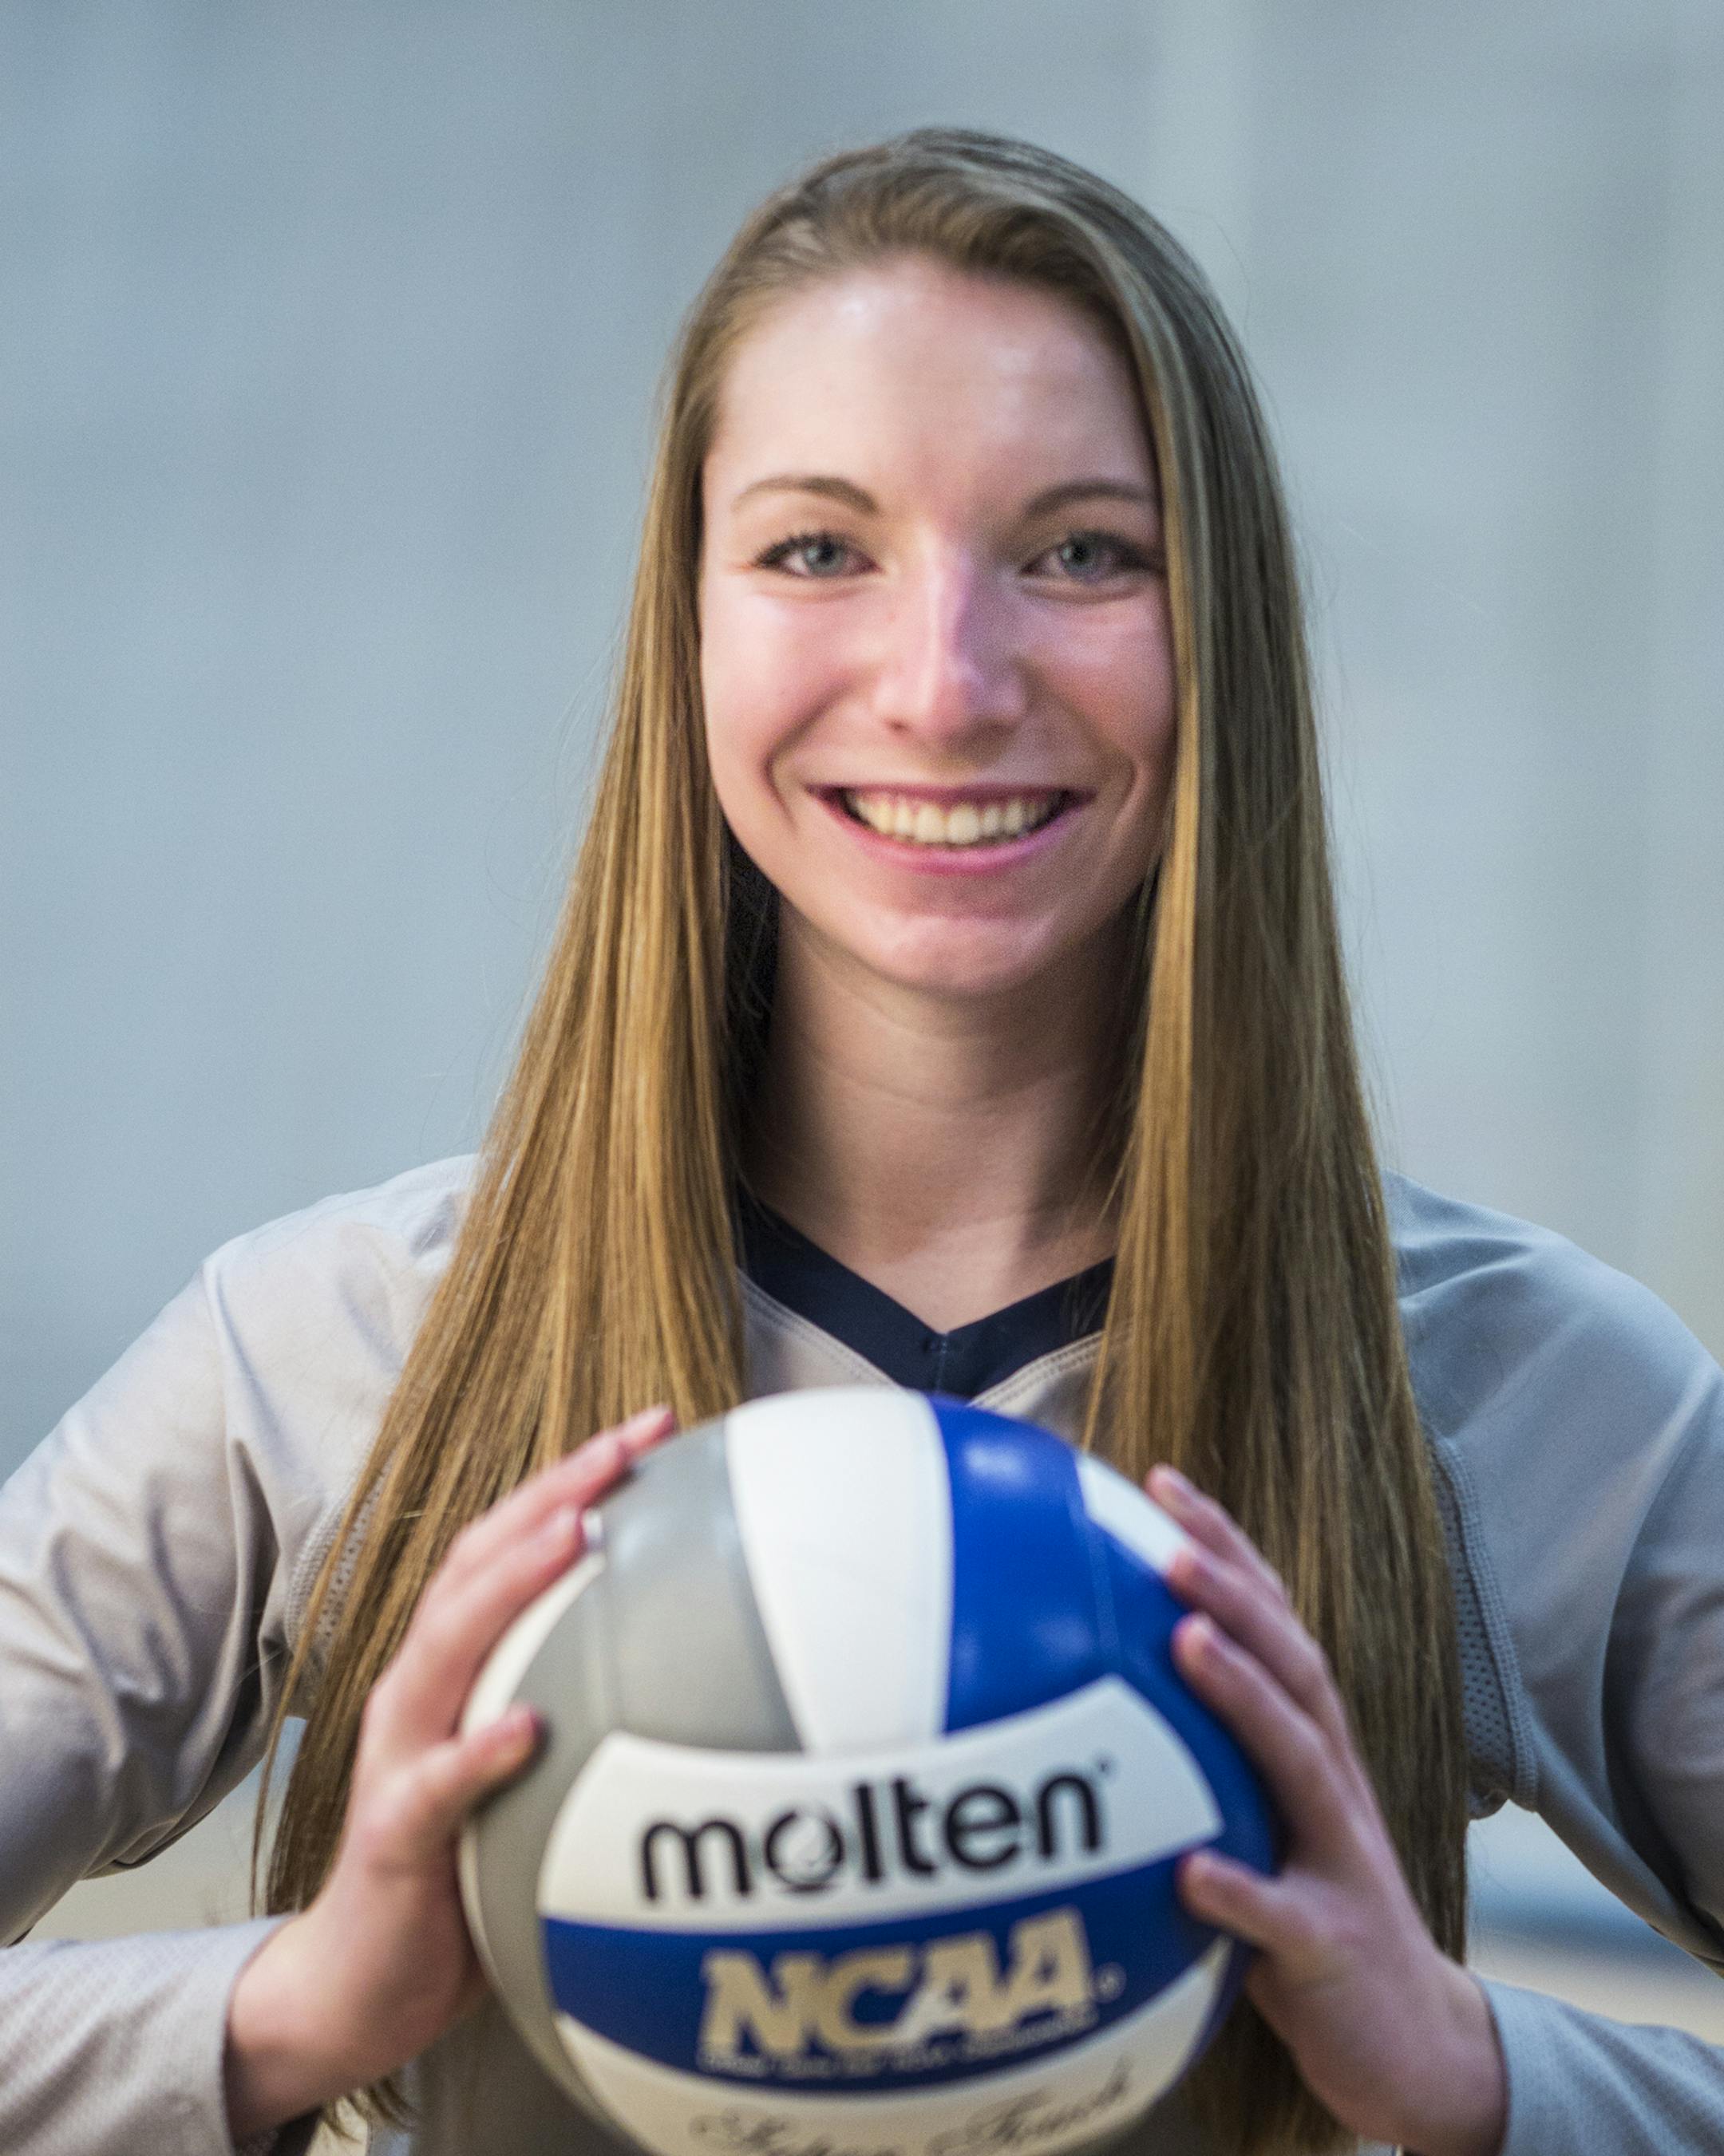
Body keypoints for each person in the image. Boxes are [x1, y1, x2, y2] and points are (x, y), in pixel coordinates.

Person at [2, 124, 1721, 2156]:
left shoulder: (1513, 1392)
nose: (945, 684)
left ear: (1224, 629)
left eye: (1084, 552)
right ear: (689, 621)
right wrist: (288, 2009)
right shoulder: (336, 1352)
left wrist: (1474, 2069)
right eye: (820, 550)